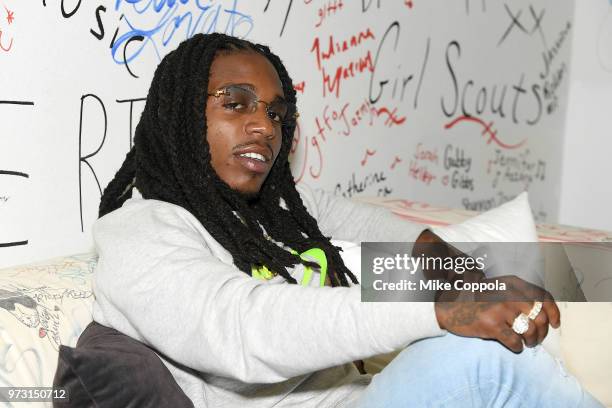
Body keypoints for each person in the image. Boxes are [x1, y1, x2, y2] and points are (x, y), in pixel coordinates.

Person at [88, 33, 602, 407]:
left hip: (364, 395)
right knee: (484, 363)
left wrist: (469, 281)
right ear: (177, 113)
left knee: (492, 345)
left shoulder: (280, 210)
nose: (263, 126)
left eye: (276, 113)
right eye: (236, 103)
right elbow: (245, 327)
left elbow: (401, 240)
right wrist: (440, 310)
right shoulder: (140, 231)